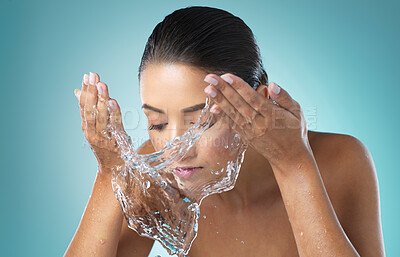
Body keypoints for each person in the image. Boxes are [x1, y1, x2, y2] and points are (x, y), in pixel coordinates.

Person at [65, 6, 385, 257]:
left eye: (200, 123)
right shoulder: (157, 174)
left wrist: (294, 166)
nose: (176, 149)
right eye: (157, 123)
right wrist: (111, 173)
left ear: (255, 105)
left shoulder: (341, 162)